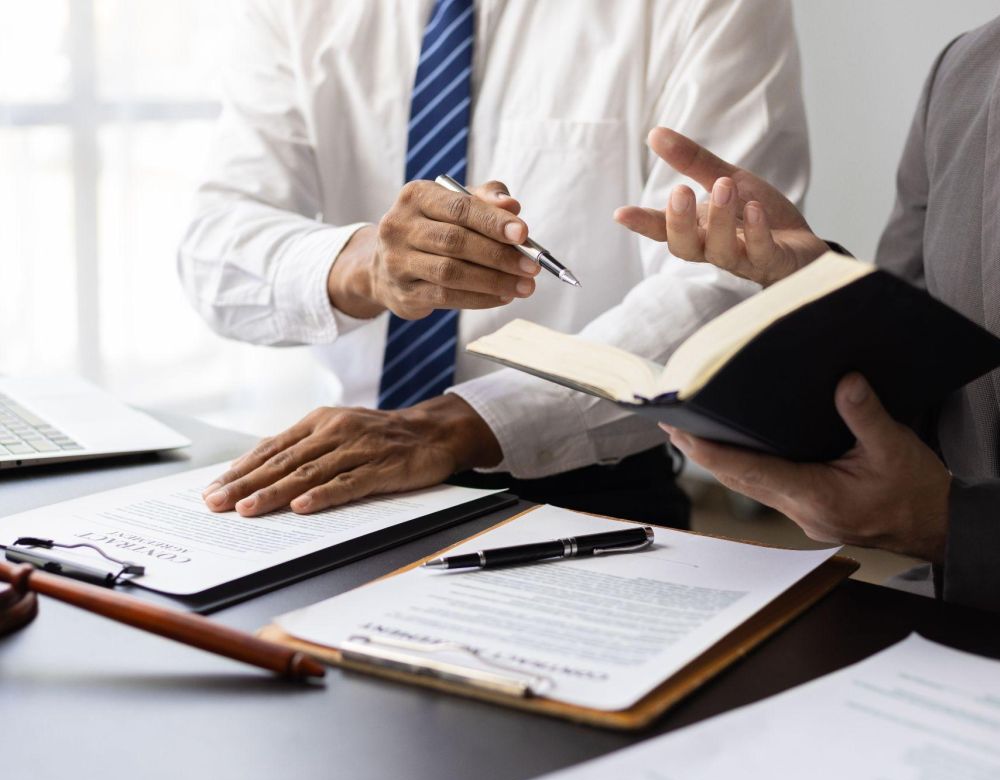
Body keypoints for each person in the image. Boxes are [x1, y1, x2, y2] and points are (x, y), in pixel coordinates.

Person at [179, 0, 808, 527]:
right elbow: (215, 252)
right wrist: (366, 263)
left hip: (589, 496)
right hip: (347, 475)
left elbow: (728, 284)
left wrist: (460, 423)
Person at [615, 17, 1000, 612]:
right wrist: (811, 281)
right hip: (944, 611)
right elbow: (922, 384)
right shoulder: (966, 70)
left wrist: (947, 525)